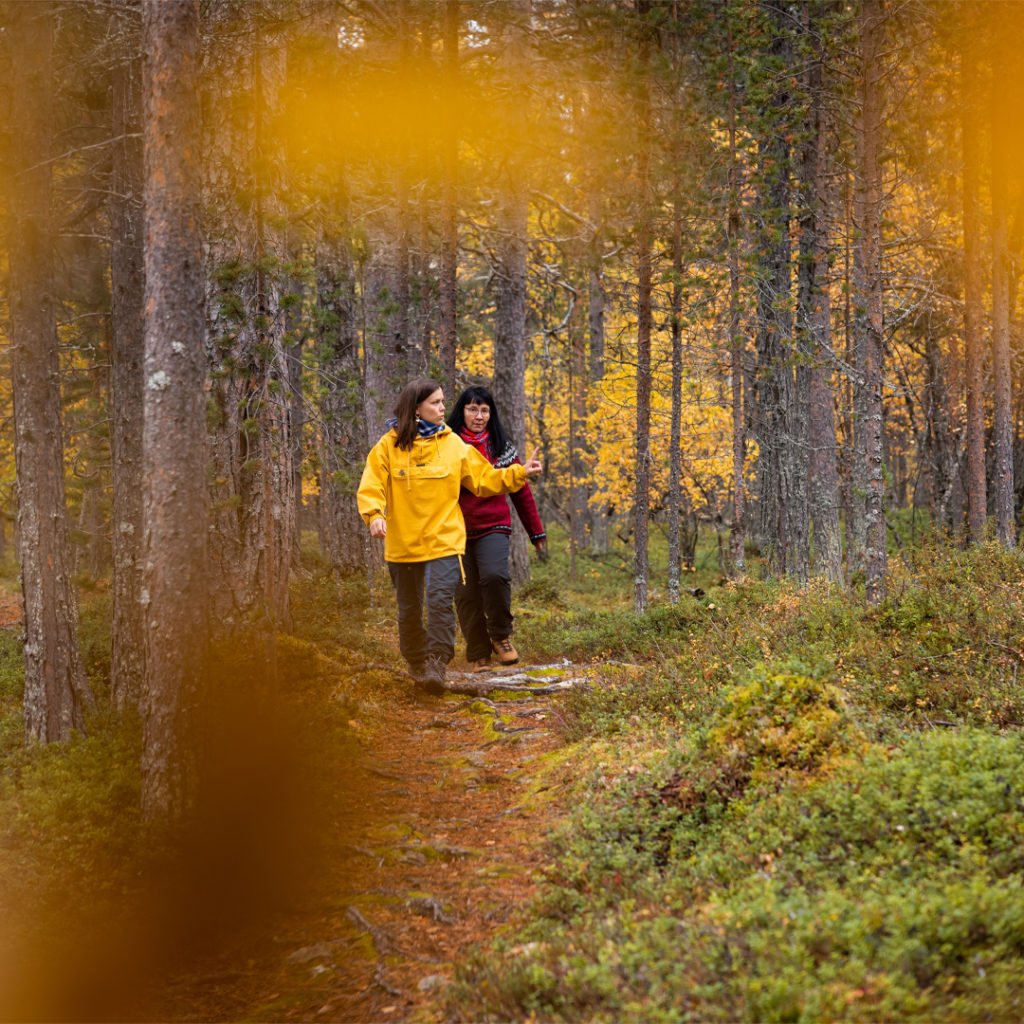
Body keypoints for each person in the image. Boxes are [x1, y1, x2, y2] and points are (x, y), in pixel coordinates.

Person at [357, 378, 542, 695]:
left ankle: (436, 663)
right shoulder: (388, 446)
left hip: (444, 540)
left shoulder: (454, 444)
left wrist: (519, 472)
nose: (444, 408)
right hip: (403, 543)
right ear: (417, 409)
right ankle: (416, 662)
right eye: (436, 403)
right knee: (409, 608)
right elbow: (371, 485)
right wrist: (374, 516)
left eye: (444, 402)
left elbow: (484, 479)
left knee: (441, 601)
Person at [447, 385, 547, 672]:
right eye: (472, 409)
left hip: (494, 525)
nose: (478, 416)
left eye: (484, 410)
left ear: (491, 414)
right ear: (461, 411)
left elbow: (520, 491)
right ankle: (478, 652)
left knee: (494, 576)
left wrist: (536, 532)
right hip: (456, 531)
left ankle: (500, 636)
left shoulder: (501, 446)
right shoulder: (448, 445)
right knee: (466, 594)